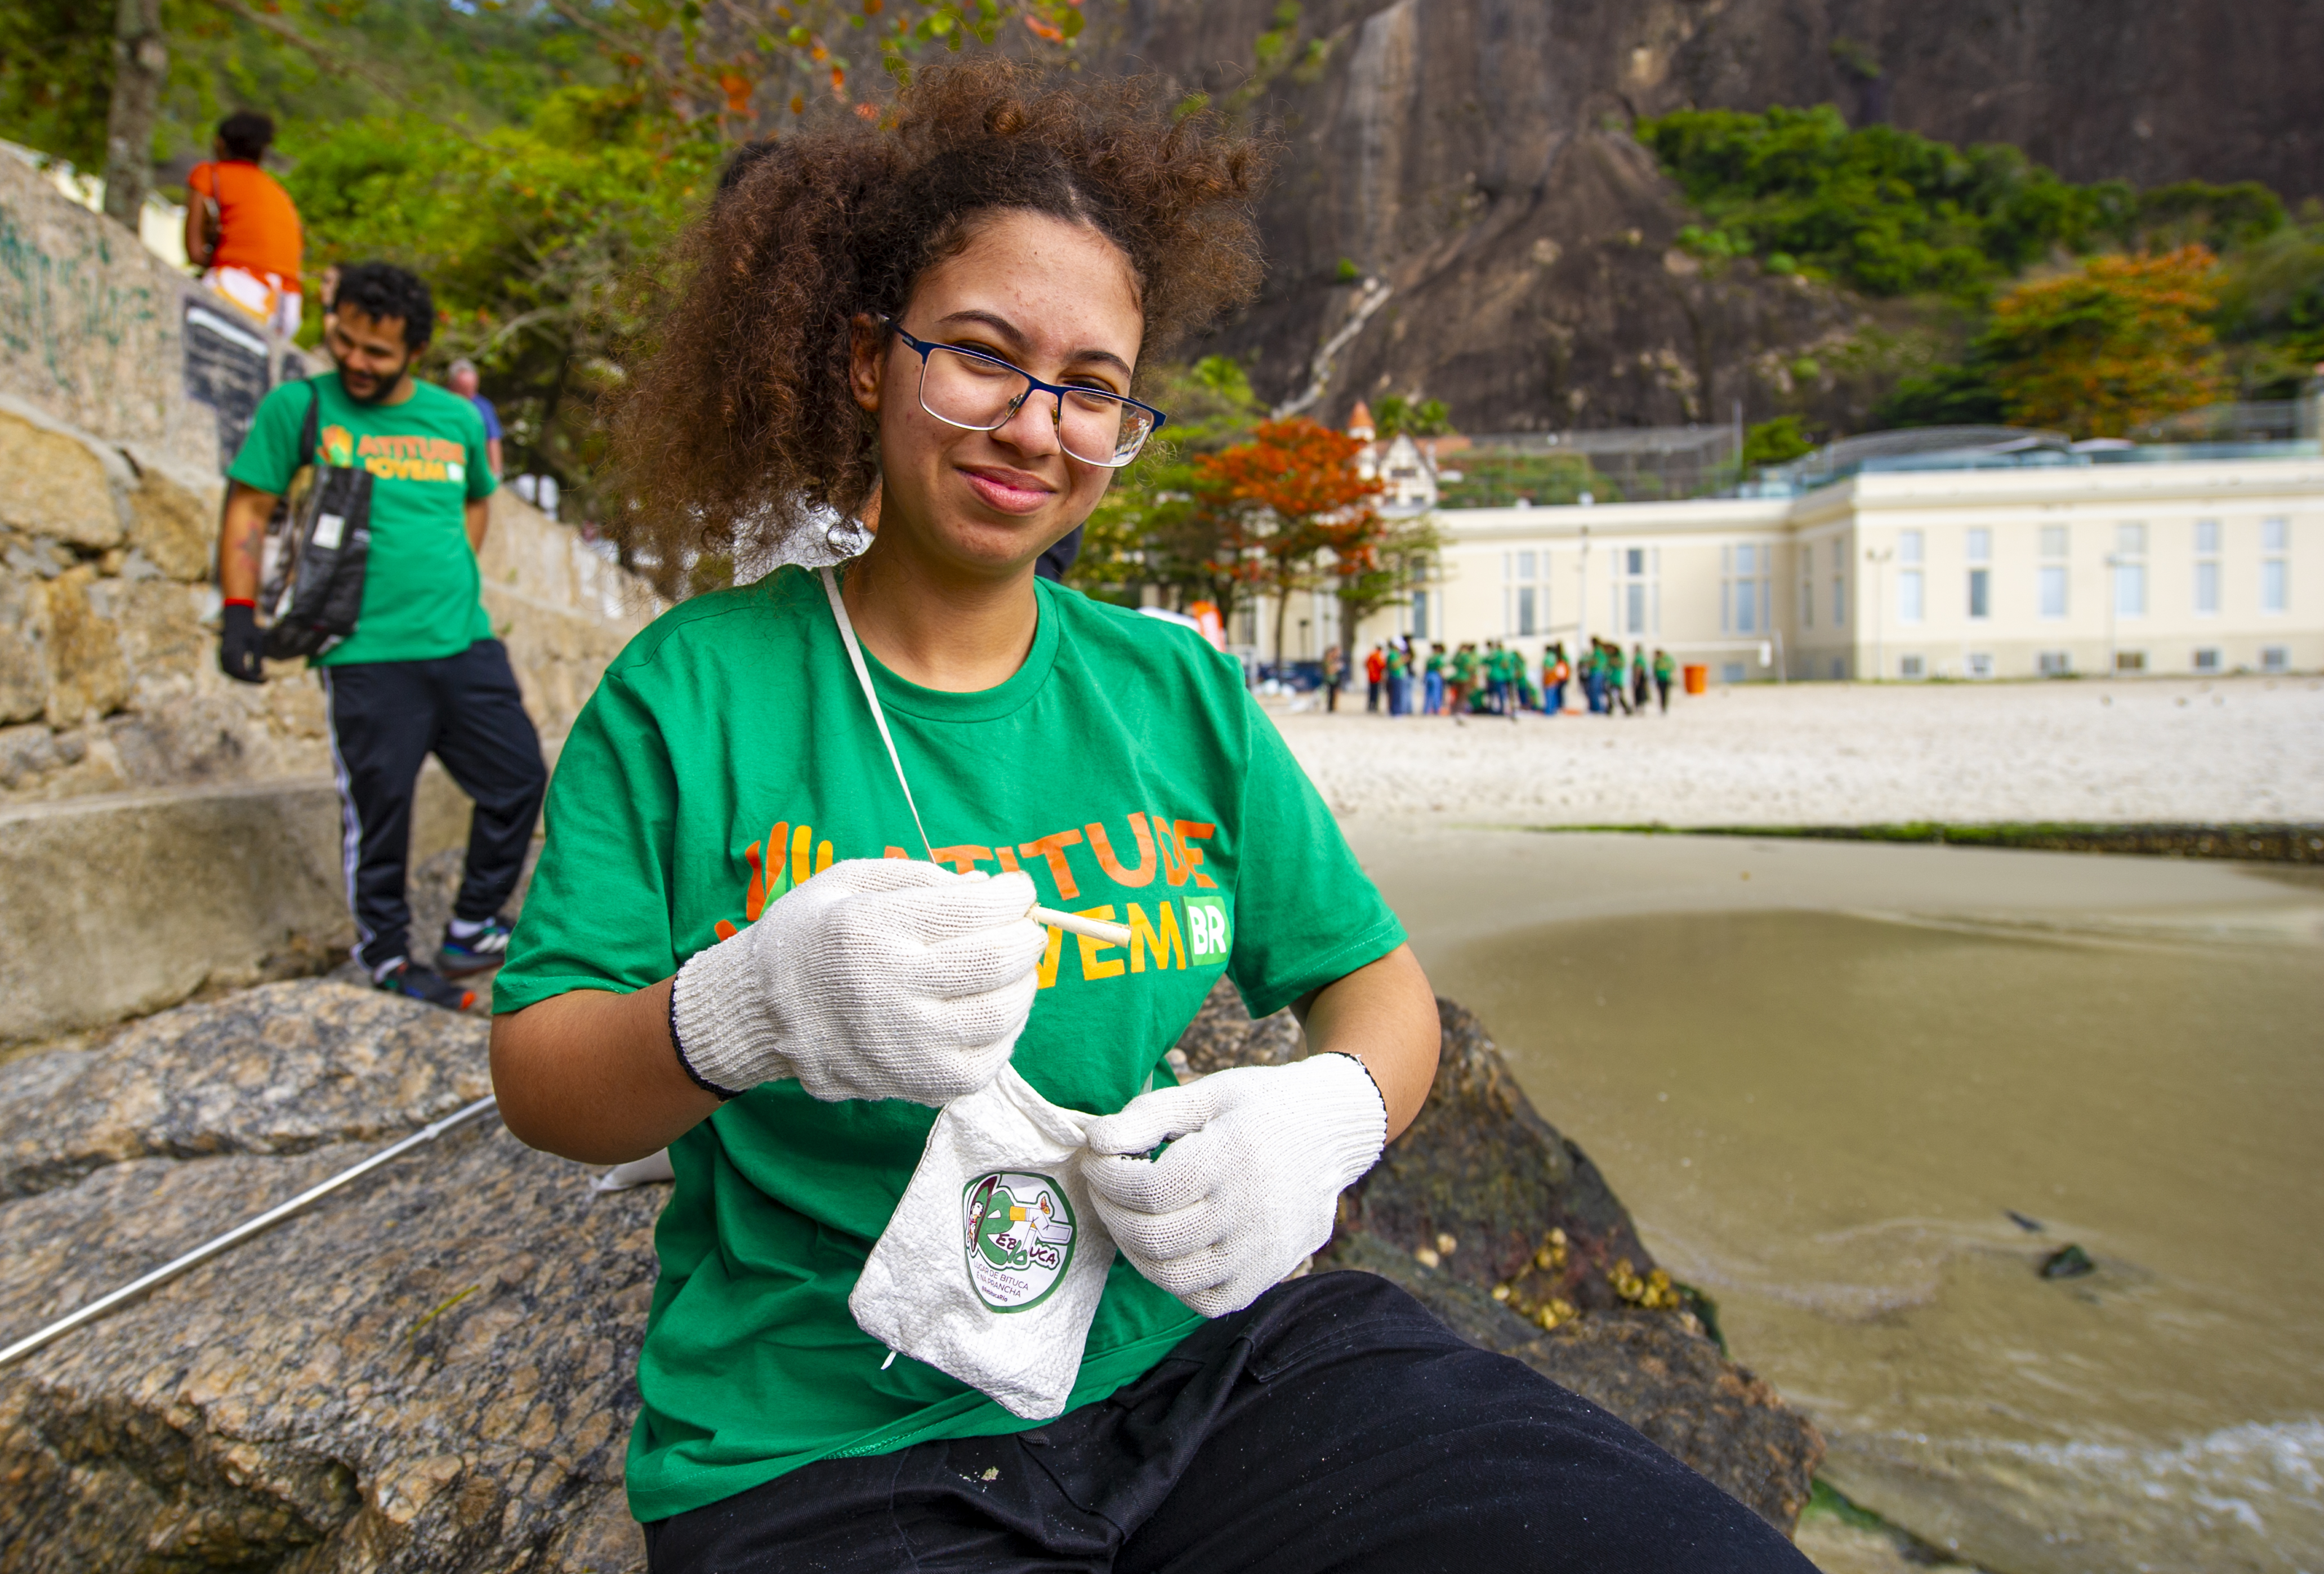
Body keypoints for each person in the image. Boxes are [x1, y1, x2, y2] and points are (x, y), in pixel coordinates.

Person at [485, 62, 1809, 1574]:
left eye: (1094, 388)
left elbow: (1371, 983)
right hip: (829, 1439)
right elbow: (543, 1076)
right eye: (980, 356)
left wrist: (1329, 1117)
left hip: (1211, 1367)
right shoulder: (697, 691)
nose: (1035, 427)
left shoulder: (1172, 687)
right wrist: (747, 1009)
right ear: (869, 361)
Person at [216, 262, 547, 1011]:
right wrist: (240, 610)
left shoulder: (457, 419)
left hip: (463, 642)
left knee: (519, 778)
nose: (356, 363)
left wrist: (451, 573)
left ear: (415, 352)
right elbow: (249, 503)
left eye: (378, 352)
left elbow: (474, 503)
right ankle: (389, 955)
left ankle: (470, 929)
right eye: (346, 342)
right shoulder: (299, 409)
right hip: (362, 654)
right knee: (381, 809)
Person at [185, 111, 305, 337]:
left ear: (219, 144)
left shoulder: (209, 173)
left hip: (239, 288)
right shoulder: (279, 192)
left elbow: (195, 253)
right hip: (287, 306)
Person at [445, 359, 503, 479]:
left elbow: (493, 440)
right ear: (451, 384)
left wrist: (496, 474)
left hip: (471, 467)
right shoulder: (439, 402)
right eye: (464, 389)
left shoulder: (483, 407)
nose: (469, 395)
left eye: (472, 389)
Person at [1319, 642, 1345, 712]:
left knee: (1335, 693)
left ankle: (1334, 707)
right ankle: (1330, 707)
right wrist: (1336, 668)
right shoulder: (1327, 661)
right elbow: (1329, 670)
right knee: (1330, 694)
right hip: (1330, 679)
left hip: (1335, 679)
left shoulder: (1335, 660)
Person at [1424, 640, 1447, 715]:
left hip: (1428, 675)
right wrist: (1443, 677)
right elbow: (1440, 668)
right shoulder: (1439, 658)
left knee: (1428, 694)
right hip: (1436, 676)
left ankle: (1426, 710)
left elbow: (1426, 668)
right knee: (1436, 694)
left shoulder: (1430, 658)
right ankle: (1437, 710)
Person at [1654, 645, 1677, 716]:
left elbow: (1673, 669)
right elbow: (1655, 670)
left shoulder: (1667, 659)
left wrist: (1674, 678)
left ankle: (1665, 708)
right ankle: (1662, 708)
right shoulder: (1657, 661)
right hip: (1659, 679)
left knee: (1666, 694)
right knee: (1661, 694)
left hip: (1667, 679)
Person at [1364, 640, 1385, 713]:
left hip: (1371, 676)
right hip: (1376, 677)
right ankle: (1374, 706)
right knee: (1376, 693)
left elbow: (1366, 664)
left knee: (1371, 692)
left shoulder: (1371, 654)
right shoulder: (1378, 655)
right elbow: (1381, 666)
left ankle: (1370, 705)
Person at [1632, 643, 1652, 713]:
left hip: (1640, 677)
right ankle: (1641, 706)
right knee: (1642, 692)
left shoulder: (1638, 657)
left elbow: (1639, 668)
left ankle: (1639, 707)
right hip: (1643, 677)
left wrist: (1637, 679)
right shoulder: (1642, 657)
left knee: (1639, 692)